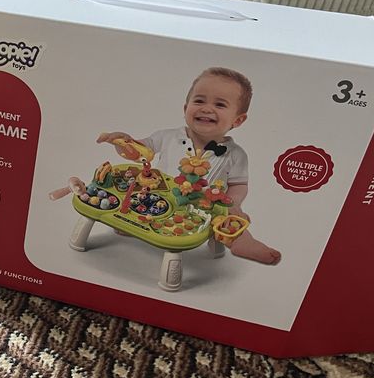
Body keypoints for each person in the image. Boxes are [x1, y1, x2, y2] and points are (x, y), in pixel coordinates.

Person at [97, 67, 281, 265]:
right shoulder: (167, 136)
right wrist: (124, 142)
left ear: (238, 120)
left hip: (205, 205)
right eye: (199, 101)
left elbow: (239, 185)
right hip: (160, 195)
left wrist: (234, 203)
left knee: (228, 219)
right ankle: (132, 222)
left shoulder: (236, 154)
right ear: (186, 108)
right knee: (134, 191)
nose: (206, 109)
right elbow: (139, 153)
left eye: (220, 104)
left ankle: (244, 242)